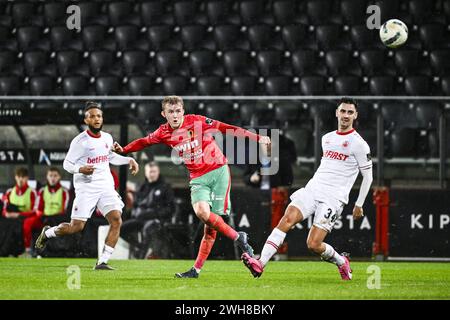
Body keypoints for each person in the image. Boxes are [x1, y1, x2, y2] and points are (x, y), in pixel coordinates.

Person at [113, 95, 271, 278]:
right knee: (203, 214)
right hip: (198, 178)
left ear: (183, 111)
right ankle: (238, 237)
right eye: (170, 112)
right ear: (164, 114)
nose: (175, 115)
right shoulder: (162, 132)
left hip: (219, 172)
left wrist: (256, 137)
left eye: (178, 111)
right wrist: (124, 150)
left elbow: (226, 128)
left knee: (210, 228)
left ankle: (196, 270)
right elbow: (143, 142)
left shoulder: (197, 120)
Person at [242, 97, 373, 280]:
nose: (345, 115)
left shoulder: (359, 144)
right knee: (287, 219)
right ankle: (260, 263)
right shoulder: (326, 138)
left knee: (313, 244)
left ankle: (341, 261)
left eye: (350, 112)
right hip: (314, 188)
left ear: (355, 115)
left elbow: (368, 176)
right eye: (343, 111)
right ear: (337, 113)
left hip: (333, 197)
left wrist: (359, 203)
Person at [35, 101, 139, 270]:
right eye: (92, 116)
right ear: (86, 120)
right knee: (76, 227)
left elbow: (109, 157)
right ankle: (47, 233)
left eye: (99, 116)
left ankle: (102, 262)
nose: (96, 119)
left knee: (116, 220)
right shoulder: (80, 141)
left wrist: (129, 159)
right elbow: (67, 164)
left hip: (105, 186)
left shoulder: (107, 137)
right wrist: (80, 169)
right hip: (86, 188)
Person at [243, 131, 297, 258]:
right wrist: (251, 178)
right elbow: (245, 177)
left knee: (276, 224)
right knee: (258, 224)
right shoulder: (254, 159)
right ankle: (257, 251)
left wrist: (279, 186)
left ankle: (278, 252)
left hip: (275, 197)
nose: (267, 145)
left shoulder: (282, 158)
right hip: (258, 196)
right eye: (264, 143)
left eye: (269, 143)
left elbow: (289, 180)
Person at [121, 161, 175, 259]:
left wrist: (155, 214)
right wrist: (135, 213)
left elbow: (170, 208)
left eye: (154, 171)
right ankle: (140, 246)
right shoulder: (142, 187)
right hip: (140, 219)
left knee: (148, 229)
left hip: (156, 219)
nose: (152, 174)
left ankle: (141, 257)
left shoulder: (165, 187)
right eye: (150, 172)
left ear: (158, 172)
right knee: (121, 229)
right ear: (146, 172)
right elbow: (136, 204)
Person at [24, 167, 70, 255]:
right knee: (28, 223)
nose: (53, 178)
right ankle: (28, 250)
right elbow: (38, 209)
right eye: (50, 175)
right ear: (47, 177)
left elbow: (64, 210)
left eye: (55, 176)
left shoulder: (64, 191)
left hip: (57, 219)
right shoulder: (42, 191)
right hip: (44, 218)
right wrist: (44, 216)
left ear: (59, 177)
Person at [2, 167, 37, 256]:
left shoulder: (32, 192)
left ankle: (27, 250)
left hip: (27, 217)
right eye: (19, 176)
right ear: (15, 177)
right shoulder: (10, 192)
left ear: (27, 178)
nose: (21, 179)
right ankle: (7, 250)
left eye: (23, 177)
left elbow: (34, 211)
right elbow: (4, 209)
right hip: (13, 217)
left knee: (26, 224)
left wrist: (18, 214)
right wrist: (7, 214)